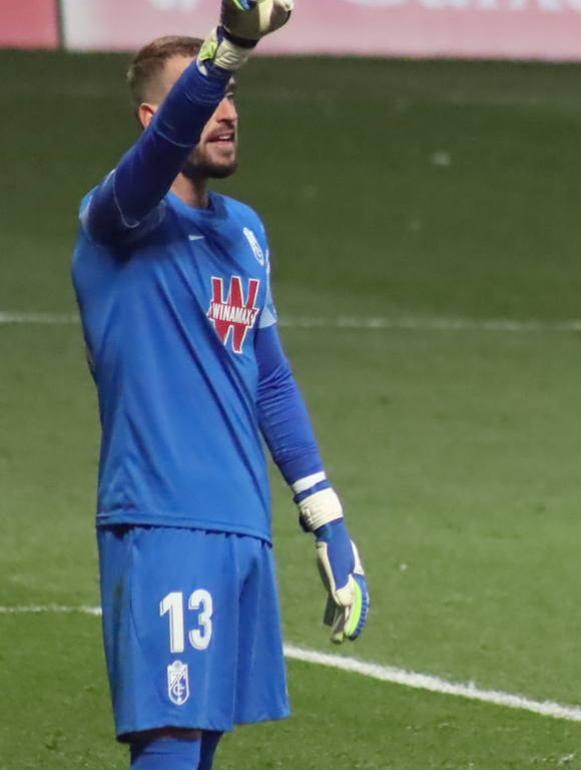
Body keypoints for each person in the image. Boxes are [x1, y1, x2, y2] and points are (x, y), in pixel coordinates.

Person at [71, 3, 370, 768]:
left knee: (200, 749)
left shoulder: (245, 231)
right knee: (168, 751)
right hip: (164, 521)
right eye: (211, 97)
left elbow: (267, 376)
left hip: (241, 524)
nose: (228, 112)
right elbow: (164, 147)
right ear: (154, 115)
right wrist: (230, 48)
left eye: (236, 97)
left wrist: (325, 515)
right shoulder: (116, 219)